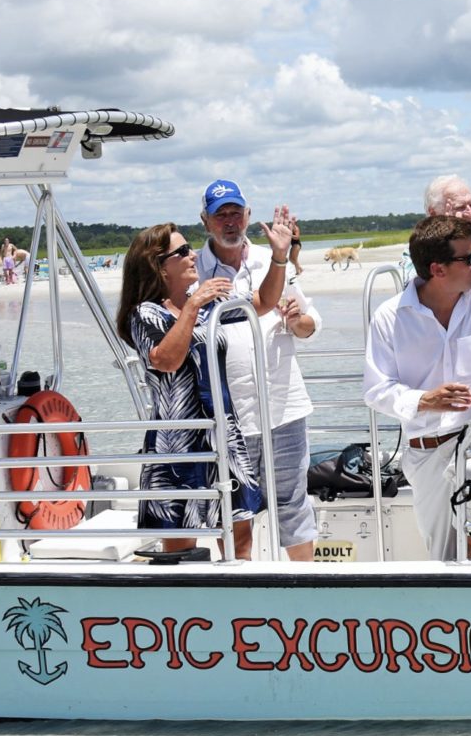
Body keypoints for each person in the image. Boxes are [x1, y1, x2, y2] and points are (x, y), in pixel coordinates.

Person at [361, 213, 471, 560]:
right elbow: (376, 390)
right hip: (424, 452)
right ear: (437, 269)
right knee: (444, 557)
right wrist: (423, 400)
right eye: (470, 257)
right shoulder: (388, 316)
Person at [197, 178, 319, 560]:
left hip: (284, 407)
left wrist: (298, 321)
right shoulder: (193, 269)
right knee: (234, 511)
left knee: (293, 504)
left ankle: (309, 588)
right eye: (221, 215)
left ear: (248, 215)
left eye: (236, 213)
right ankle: (242, 589)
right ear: (206, 222)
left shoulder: (271, 260)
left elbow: (310, 324)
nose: (230, 221)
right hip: (228, 414)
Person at [114, 223, 233, 552]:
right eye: (182, 252)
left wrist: (281, 257)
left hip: (222, 434)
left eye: (190, 248)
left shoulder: (210, 308)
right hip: (178, 443)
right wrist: (193, 306)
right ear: (159, 266)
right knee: (180, 547)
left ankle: (242, 602)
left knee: (240, 537)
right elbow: (166, 360)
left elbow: (261, 302)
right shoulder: (146, 314)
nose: (193, 255)